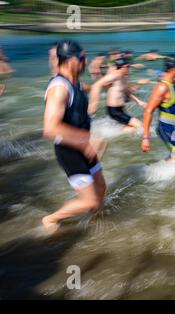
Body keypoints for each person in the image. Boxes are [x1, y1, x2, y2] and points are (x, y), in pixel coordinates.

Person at [42, 40, 107, 234]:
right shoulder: (59, 88)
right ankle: (51, 218)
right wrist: (86, 140)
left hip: (83, 145)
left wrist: (101, 85)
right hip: (70, 150)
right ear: (70, 60)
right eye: (82, 58)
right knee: (90, 200)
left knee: (101, 187)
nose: (86, 62)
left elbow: (87, 97)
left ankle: (96, 224)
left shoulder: (76, 82)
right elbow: (50, 128)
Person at [89, 57, 146, 134]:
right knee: (140, 126)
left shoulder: (123, 78)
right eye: (128, 66)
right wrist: (94, 103)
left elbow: (127, 92)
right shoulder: (114, 76)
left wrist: (139, 101)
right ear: (123, 67)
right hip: (114, 110)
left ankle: (114, 133)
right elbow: (97, 85)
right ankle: (112, 133)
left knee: (132, 128)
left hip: (120, 109)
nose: (129, 69)